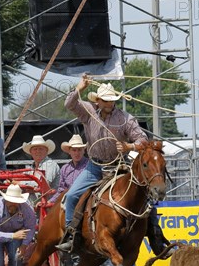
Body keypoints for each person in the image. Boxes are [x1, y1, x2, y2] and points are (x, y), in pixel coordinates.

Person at [56, 75, 147, 253]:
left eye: (111, 100)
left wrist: (129, 146)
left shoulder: (125, 118)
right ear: (98, 100)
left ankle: (155, 232)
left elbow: (143, 140)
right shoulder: (88, 111)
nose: (109, 103)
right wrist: (79, 88)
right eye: (105, 100)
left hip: (119, 167)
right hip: (95, 167)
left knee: (145, 195)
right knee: (73, 195)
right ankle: (71, 235)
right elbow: (69, 104)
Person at [48, 134, 89, 266]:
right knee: (68, 255)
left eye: (79, 150)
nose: (77, 152)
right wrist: (50, 202)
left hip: (86, 206)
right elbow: (61, 190)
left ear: (83, 150)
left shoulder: (89, 167)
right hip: (69, 209)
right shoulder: (65, 169)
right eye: (74, 150)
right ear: (70, 151)